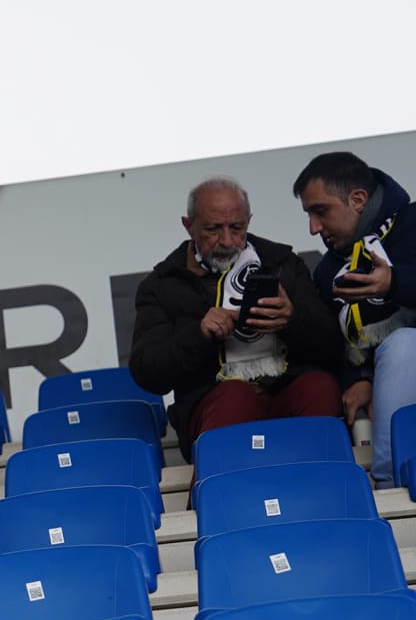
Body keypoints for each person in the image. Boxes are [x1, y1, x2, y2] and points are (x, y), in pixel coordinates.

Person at [294, 151, 416, 486]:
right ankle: (394, 488)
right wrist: (357, 377)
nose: (314, 227)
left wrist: (396, 283)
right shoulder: (329, 271)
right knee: (405, 342)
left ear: (358, 199)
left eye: (320, 211)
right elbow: (338, 345)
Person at [129, 177, 343, 461]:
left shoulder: (281, 262)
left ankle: (324, 490)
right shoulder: (161, 285)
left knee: (318, 387)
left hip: (286, 389)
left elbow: (333, 347)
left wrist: (292, 319)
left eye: (237, 228)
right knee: (235, 396)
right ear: (188, 225)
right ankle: (219, 499)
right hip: (215, 401)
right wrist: (199, 334)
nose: (228, 241)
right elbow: (147, 372)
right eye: (214, 229)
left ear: (249, 221)